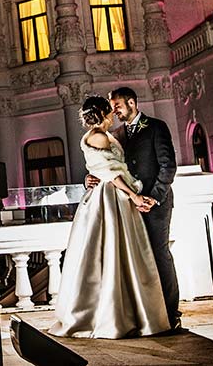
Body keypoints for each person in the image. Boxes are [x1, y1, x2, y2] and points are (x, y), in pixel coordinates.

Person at [47, 95, 170, 339]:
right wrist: (133, 196)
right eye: (110, 109)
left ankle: (130, 312)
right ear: (104, 113)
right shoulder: (99, 136)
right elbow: (110, 172)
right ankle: (111, 316)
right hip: (110, 197)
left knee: (123, 255)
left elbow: (102, 166)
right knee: (110, 254)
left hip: (114, 194)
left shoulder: (106, 134)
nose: (114, 113)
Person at [89, 86, 182, 331]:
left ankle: (171, 313)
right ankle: (146, 314)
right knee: (137, 259)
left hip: (155, 204)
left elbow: (167, 166)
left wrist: (154, 197)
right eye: (112, 106)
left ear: (131, 102)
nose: (114, 110)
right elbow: (106, 166)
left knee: (159, 254)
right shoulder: (116, 134)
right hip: (127, 206)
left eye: (117, 105)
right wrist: (89, 179)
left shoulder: (156, 127)